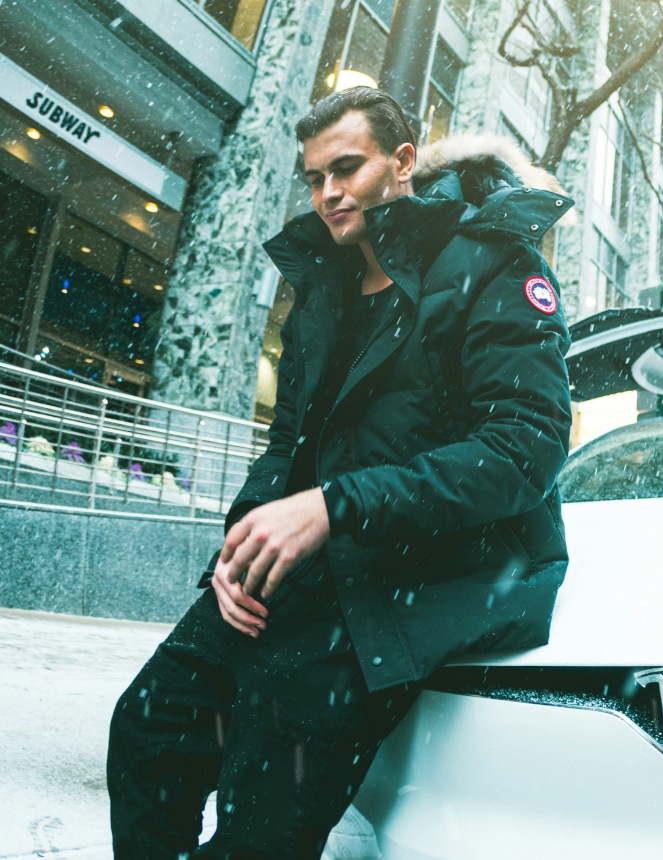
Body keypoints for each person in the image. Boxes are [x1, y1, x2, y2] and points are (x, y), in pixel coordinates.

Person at [106, 87, 575, 858]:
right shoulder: (325, 285)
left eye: (347, 169)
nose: (328, 192)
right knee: (148, 729)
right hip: (312, 569)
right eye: (315, 177)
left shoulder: (496, 264)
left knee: (262, 808)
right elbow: (288, 443)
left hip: (418, 579)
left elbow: (524, 447)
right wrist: (239, 549)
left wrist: (333, 506)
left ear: (402, 162)